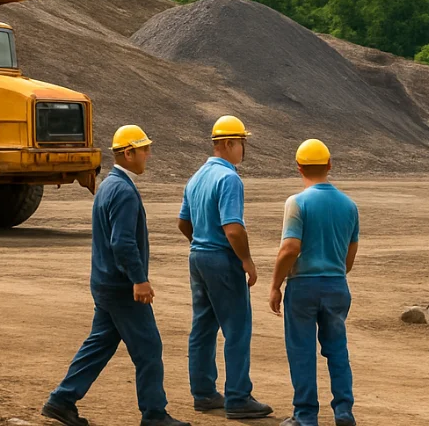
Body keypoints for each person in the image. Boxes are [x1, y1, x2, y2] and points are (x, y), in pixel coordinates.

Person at [43, 125, 191, 426]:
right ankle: (154, 414)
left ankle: (61, 400)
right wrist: (139, 279)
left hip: (105, 282)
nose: (148, 154)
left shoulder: (109, 185)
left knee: (100, 343)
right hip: (121, 286)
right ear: (129, 153)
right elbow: (122, 242)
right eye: (144, 149)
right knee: (149, 347)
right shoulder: (123, 191)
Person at [177, 115, 273, 420]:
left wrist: (202, 242)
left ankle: (204, 393)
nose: (244, 149)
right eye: (242, 143)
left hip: (199, 257)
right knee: (237, 328)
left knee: (203, 327)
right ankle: (238, 397)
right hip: (221, 259)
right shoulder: (229, 178)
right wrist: (246, 260)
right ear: (229, 144)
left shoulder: (196, 177)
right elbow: (233, 228)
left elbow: (183, 222)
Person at [269, 139, 359, 426]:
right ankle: (343, 410)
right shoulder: (349, 205)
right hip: (336, 285)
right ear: (329, 165)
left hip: (303, 288)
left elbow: (290, 248)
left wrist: (276, 285)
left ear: (299, 168)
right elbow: (350, 254)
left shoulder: (297, 203)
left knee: (302, 351)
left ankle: (306, 415)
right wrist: (335, 274)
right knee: (337, 350)